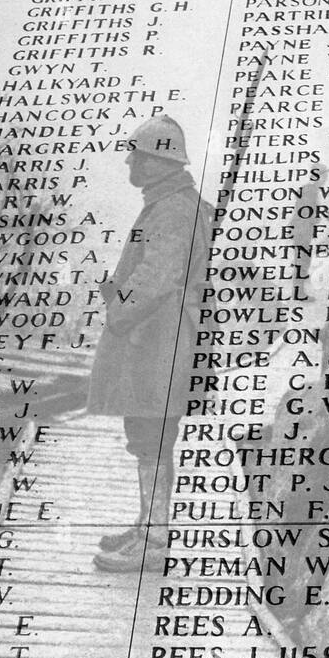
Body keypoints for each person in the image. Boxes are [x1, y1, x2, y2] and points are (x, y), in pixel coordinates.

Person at [89, 114, 212, 573]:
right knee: (148, 436)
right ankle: (148, 525)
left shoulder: (174, 209)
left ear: (158, 161)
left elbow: (157, 278)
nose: (128, 163)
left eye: (136, 155)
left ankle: (155, 537)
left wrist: (118, 305)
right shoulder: (172, 204)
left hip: (160, 340)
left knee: (152, 437)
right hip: (160, 337)